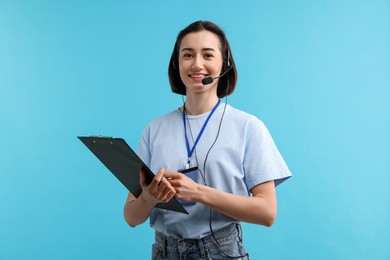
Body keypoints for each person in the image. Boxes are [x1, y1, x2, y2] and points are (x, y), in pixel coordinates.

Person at [124, 20, 292, 260]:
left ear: (224, 64)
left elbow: (267, 213)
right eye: (188, 55)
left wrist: (198, 192)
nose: (197, 64)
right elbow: (131, 217)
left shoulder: (248, 127)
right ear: (176, 63)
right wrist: (149, 199)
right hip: (164, 252)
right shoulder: (154, 129)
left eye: (208, 55)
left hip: (220, 252)